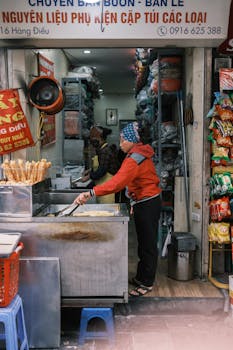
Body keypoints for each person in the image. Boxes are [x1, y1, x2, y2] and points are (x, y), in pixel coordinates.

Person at [74, 121, 161, 297]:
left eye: (123, 140)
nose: (120, 143)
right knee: (143, 242)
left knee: (148, 244)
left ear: (132, 140)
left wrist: (90, 192)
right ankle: (141, 276)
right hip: (144, 201)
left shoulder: (134, 158)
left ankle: (147, 283)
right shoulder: (137, 154)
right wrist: (133, 201)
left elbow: (118, 182)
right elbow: (133, 181)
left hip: (148, 202)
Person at [82, 125, 120, 204]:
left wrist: (89, 177)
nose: (92, 142)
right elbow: (100, 166)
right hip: (102, 188)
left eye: (94, 139)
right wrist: (90, 171)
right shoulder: (101, 150)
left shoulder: (105, 151)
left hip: (108, 191)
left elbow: (102, 171)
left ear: (100, 138)